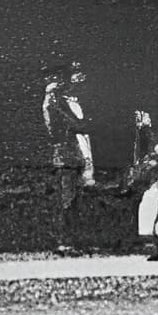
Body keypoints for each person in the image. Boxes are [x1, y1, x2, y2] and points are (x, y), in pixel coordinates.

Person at [42, 61, 96, 257]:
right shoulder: (54, 103)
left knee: (74, 201)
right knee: (67, 200)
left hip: (78, 156)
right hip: (67, 157)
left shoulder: (74, 101)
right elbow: (63, 124)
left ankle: (74, 240)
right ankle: (64, 242)